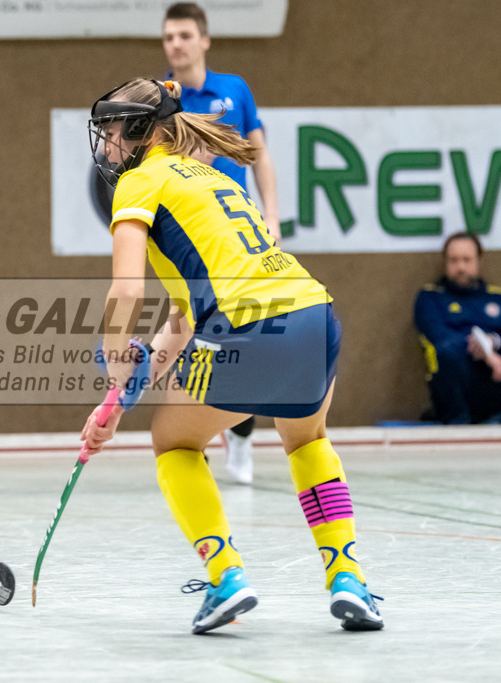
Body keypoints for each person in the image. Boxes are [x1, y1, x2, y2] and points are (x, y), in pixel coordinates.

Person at [81, 78, 383, 634]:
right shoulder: (212, 178)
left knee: (173, 442)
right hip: (314, 316)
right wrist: (120, 399)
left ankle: (225, 576)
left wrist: (112, 357)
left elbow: (126, 292)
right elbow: (182, 320)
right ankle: (348, 578)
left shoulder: (140, 184)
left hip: (249, 329)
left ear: (143, 132)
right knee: (308, 440)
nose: (106, 145)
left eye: (113, 131)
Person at [162, 1, 281, 484]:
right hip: (189, 238)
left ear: (204, 40)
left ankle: (243, 433)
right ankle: (196, 443)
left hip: (239, 235)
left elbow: (260, 156)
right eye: (169, 36)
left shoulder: (234, 91)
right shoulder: (161, 97)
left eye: (185, 35)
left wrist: (271, 216)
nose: (176, 44)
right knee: (189, 331)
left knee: (242, 336)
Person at [414, 232, 501, 424]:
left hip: (494, 382)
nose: (460, 267)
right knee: (446, 352)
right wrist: (485, 351)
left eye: (466, 260)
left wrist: (493, 342)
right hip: (457, 384)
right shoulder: (430, 298)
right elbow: (438, 336)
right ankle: (458, 421)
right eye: (454, 260)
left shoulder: (497, 298)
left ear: (478, 260)